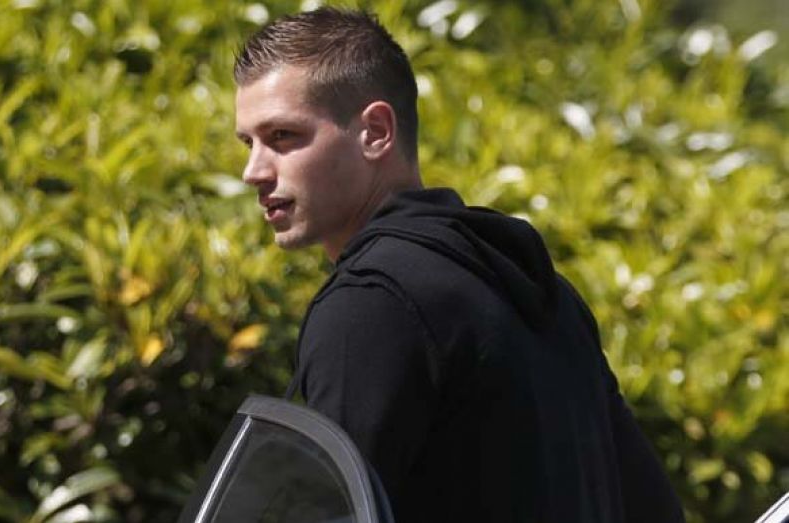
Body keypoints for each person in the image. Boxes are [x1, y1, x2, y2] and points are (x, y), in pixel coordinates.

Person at [234, 7, 684, 523]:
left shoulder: (372, 304)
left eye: (283, 136)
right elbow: (656, 511)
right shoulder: (545, 294)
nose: (253, 171)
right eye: (248, 143)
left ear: (376, 131)